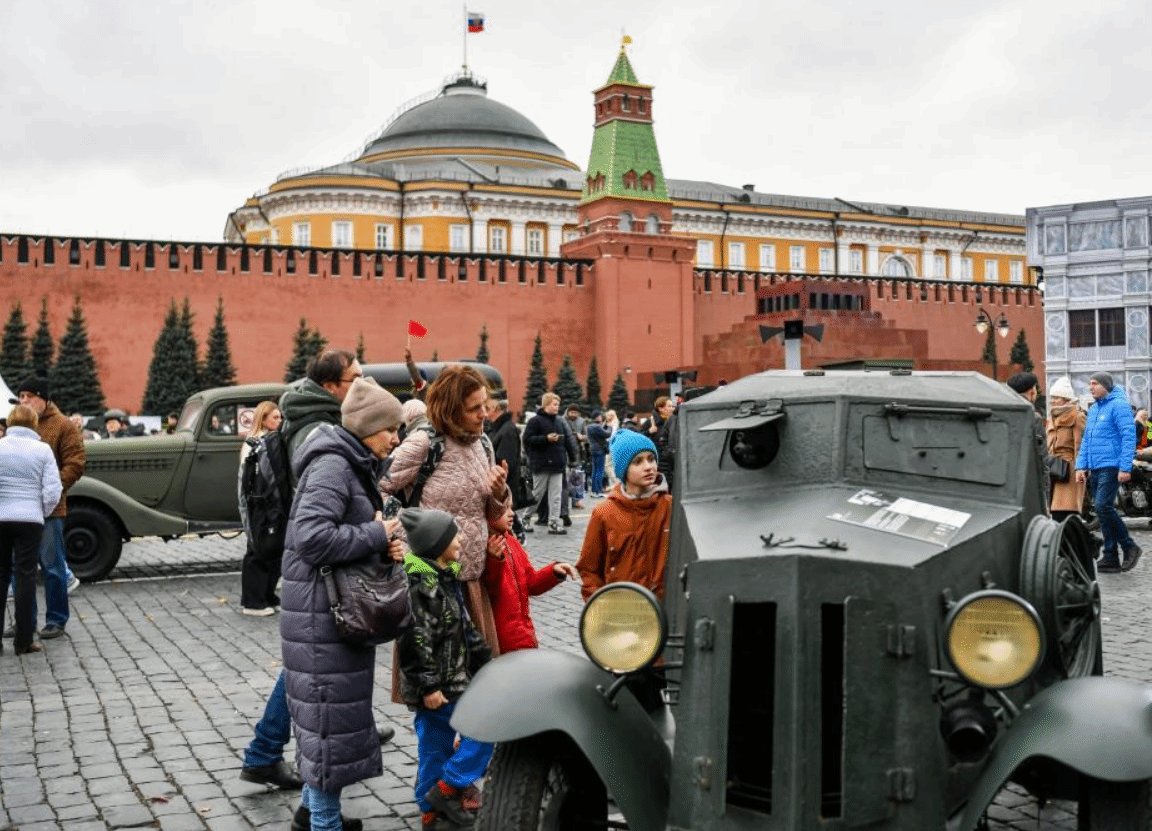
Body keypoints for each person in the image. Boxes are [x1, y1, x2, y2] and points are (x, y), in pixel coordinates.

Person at [241, 349, 396, 792]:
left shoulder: (315, 418)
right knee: (312, 668)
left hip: (323, 567)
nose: (363, 384)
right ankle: (273, 755)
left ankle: (275, 751)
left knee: (311, 668)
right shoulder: (322, 433)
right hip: (322, 573)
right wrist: (374, 533)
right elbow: (314, 525)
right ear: (333, 386)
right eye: (356, 378)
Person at [281, 376, 405, 831]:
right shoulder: (334, 466)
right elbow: (311, 538)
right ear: (367, 426)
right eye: (390, 428)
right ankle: (323, 823)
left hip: (327, 614)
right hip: (321, 619)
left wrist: (379, 542)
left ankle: (313, 815)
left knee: (324, 729)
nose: (396, 437)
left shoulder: (350, 463)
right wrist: (377, 534)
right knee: (328, 731)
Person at [384, 364, 510, 652]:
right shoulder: (424, 443)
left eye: (485, 405)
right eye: (473, 408)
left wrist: (499, 491)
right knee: (437, 677)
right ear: (451, 411)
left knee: (474, 677)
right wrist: (406, 538)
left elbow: (491, 512)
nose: (484, 414)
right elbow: (378, 487)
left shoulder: (484, 444)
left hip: (472, 579)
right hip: (431, 580)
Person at [397, 507, 494, 831]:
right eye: (455, 535)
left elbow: (466, 631)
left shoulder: (444, 577)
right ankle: (435, 806)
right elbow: (414, 642)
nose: (461, 538)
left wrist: (488, 665)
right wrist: (428, 687)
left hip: (454, 680)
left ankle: (444, 792)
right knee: (440, 748)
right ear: (437, 543)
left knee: (460, 738)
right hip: (438, 688)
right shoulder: (420, 587)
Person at [12, 375, 85, 639]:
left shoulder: (63, 425)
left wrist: (51, 490)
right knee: (20, 567)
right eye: (21, 397)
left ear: (44, 398)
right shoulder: (17, 424)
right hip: (19, 508)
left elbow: (75, 463)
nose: (24, 402)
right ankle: (25, 621)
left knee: (53, 566)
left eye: (29, 396)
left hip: (50, 509)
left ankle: (56, 619)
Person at [576, 429, 672, 601]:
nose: (648, 467)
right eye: (638, 462)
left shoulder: (670, 506)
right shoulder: (605, 512)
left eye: (651, 459)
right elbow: (589, 569)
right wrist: (602, 608)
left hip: (663, 613)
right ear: (624, 469)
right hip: (621, 615)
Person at [0, 405, 63, 655]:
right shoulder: (43, 450)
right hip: (30, 519)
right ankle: (24, 640)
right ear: (34, 423)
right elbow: (52, 489)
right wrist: (42, 511)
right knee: (25, 576)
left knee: (0, 575)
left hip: (1, 517)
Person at [481, 503, 577, 653]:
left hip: (524, 635)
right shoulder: (484, 546)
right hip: (503, 640)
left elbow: (530, 583)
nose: (511, 513)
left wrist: (552, 572)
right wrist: (494, 560)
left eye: (511, 508)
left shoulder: (511, 541)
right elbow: (490, 589)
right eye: (504, 509)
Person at [1075, 372, 1141, 573]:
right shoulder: (1094, 409)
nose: (1090, 387)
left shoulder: (1119, 405)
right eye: (1089, 383)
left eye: (1094, 383)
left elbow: (1128, 437)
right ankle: (1110, 556)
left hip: (1111, 465)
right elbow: (1087, 440)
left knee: (1103, 506)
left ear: (1106, 385)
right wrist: (1081, 466)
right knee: (1102, 511)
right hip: (1095, 466)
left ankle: (1129, 547)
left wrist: (1124, 467)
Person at [238, 401, 285, 615]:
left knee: (273, 548)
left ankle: (266, 595)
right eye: (275, 417)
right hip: (258, 503)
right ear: (263, 419)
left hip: (269, 501)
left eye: (280, 417)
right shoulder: (254, 443)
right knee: (257, 548)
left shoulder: (271, 441)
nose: (279, 420)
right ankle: (252, 601)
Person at [522, 393, 568, 535]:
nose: (557, 407)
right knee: (537, 494)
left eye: (558, 404)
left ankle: (553, 523)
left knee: (556, 496)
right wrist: (545, 439)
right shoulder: (535, 421)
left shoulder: (559, 422)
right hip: (541, 464)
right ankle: (525, 518)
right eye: (554, 404)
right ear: (546, 405)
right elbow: (527, 440)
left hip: (557, 464)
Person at [1006, 372, 1048, 511]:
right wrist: (1045, 495)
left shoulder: (1004, 414)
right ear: (1032, 392)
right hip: (1029, 484)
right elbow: (1041, 459)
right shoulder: (1034, 417)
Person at [1047, 377, 1086, 523]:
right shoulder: (1053, 417)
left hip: (1069, 470)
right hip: (1053, 469)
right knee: (1055, 514)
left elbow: (1080, 444)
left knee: (1065, 513)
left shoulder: (1077, 416)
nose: (1053, 400)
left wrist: (1080, 468)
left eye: (1057, 397)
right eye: (1052, 397)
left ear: (1066, 398)